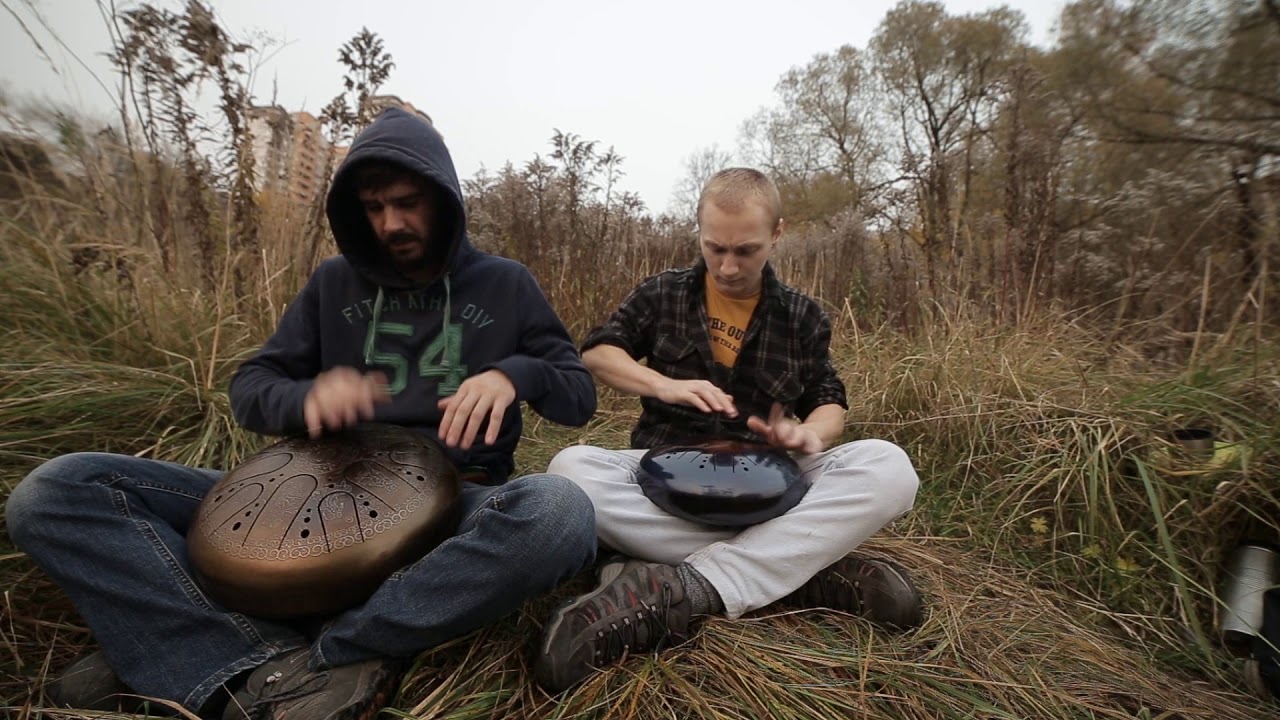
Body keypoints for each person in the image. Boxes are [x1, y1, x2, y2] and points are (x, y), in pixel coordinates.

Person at [6, 107, 599, 718]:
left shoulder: (506, 283)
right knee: (54, 492)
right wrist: (306, 398)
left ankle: (311, 650)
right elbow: (251, 386)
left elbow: (578, 397)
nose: (390, 223)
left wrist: (514, 374)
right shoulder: (332, 282)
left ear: (444, 197)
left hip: (450, 503)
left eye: (406, 202)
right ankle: (248, 656)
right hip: (297, 493)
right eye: (372, 207)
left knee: (560, 515)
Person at [534, 167, 922, 693]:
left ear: (777, 234)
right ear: (698, 231)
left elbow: (830, 401)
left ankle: (690, 584)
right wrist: (662, 385)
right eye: (715, 247)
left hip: (771, 477)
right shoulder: (663, 293)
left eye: (746, 250)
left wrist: (811, 434)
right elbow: (600, 351)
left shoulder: (803, 317)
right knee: (570, 469)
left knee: (889, 466)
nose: (729, 266)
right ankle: (799, 570)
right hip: (662, 473)